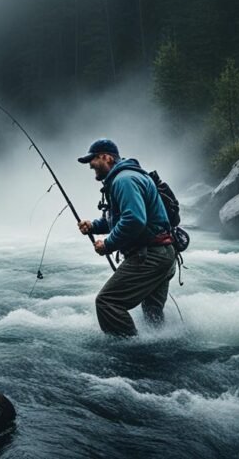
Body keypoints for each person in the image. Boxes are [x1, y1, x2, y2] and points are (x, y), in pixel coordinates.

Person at [76, 138, 176, 337]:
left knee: (108, 302)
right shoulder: (128, 176)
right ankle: (158, 353)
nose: (90, 165)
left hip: (150, 256)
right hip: (164, 253)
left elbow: (134, 220)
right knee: (153, 314)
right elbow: (121, 218)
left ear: (106, 157)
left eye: (93, 159)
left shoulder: (124, 180)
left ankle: (130, 354)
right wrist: (94, 226)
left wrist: (108, 245)